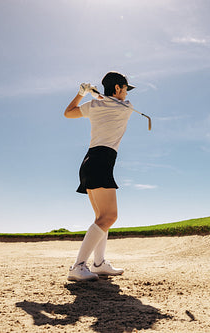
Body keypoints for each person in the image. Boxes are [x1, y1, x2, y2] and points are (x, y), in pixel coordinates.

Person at [63, 71, 136, 281]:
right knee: (109, 217)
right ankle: (78, 266)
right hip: (101, 162)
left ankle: (99, 263)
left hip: (90, 162)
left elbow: (69, 112)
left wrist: (83, 94)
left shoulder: (93, 106)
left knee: (102, 218)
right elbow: (113, 102)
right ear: (117, 88)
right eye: (124, 88)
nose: (126, 93)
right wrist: (97, 95)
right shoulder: (127, 106)